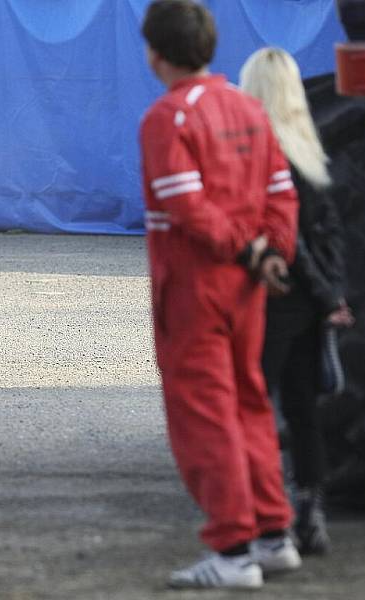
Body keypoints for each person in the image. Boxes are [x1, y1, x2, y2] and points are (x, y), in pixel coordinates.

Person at [139, 1, 301, 589]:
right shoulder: (251, 110)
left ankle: (234, 551)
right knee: (250, 402)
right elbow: (282, 192)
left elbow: (187, 207)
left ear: (155, 53)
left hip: (195, 285)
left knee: (205, 415)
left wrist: (244, 248)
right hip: (247, 288)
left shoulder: (167, 119)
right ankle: (272, 535)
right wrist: (270, 252)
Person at [240, 47, 355, 556]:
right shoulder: (312, 149)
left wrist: (322, 290)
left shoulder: (259, 155)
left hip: (275, 297)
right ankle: (310, 512)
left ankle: (267, 520)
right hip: (311, 302)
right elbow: (329, 234)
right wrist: (331, 294)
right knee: (304, 410)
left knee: (255, 409)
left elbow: (291, 241)